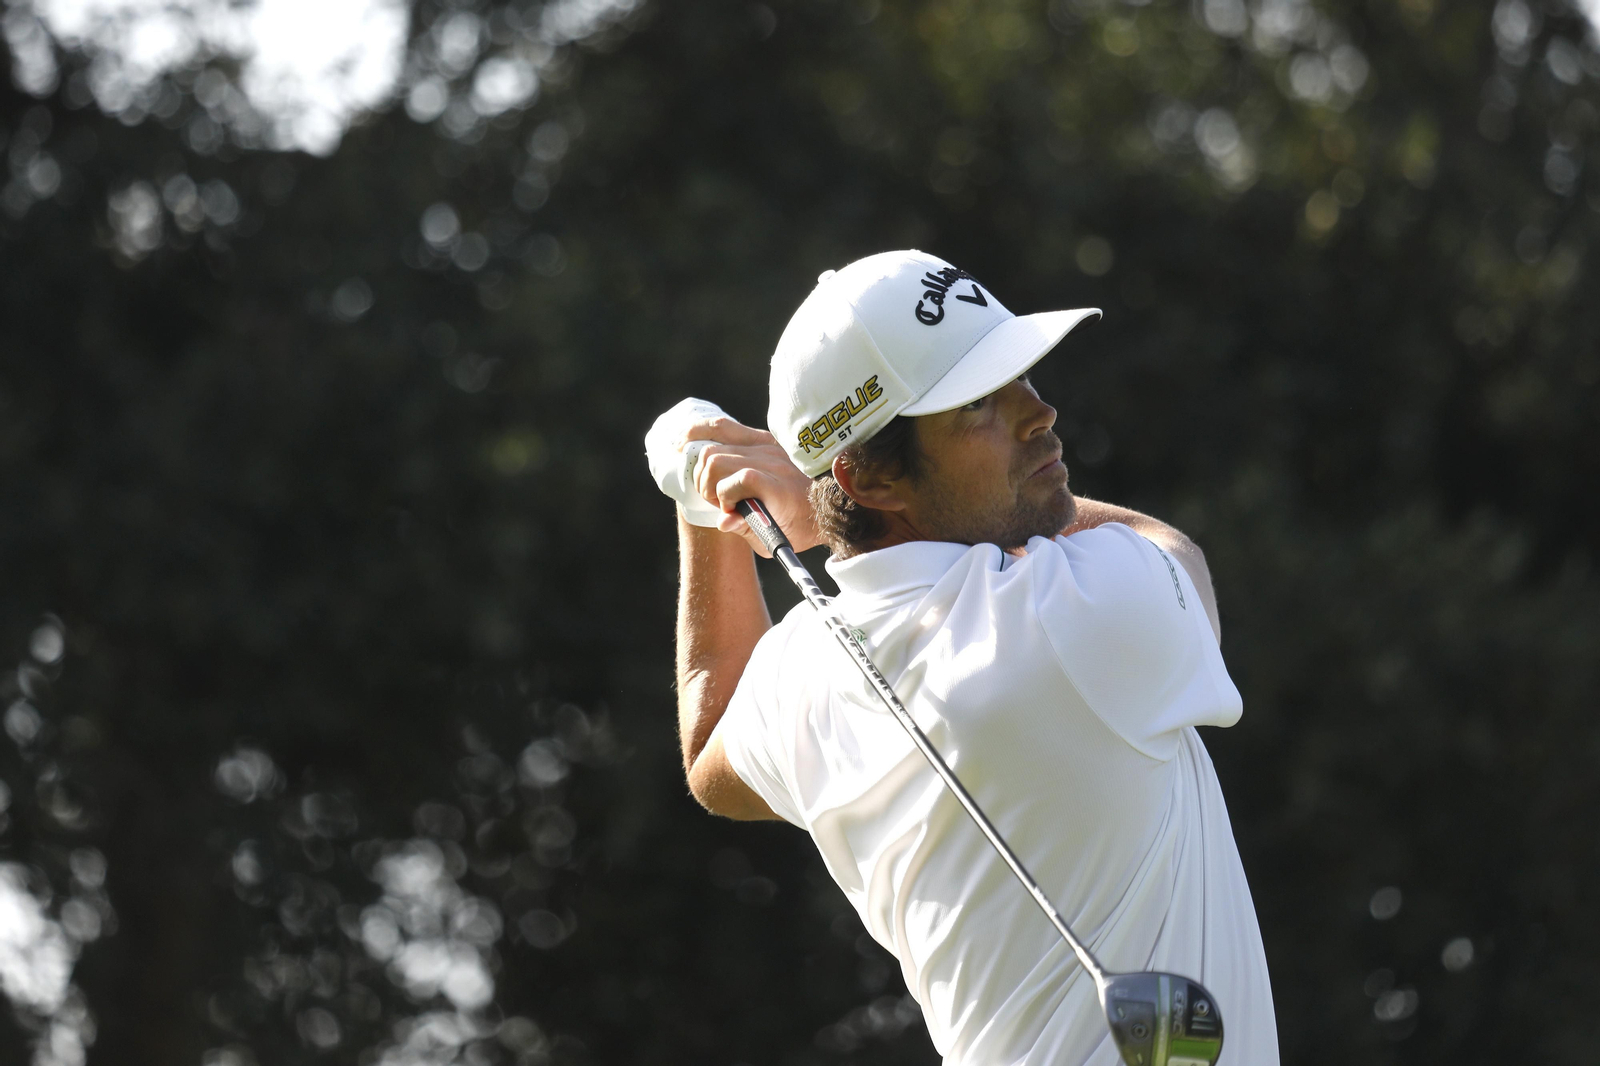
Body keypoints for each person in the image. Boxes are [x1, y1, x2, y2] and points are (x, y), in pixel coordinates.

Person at [646, 251, 1278, 1065]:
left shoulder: (803, 671)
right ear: (872, 481)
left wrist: (703, 511)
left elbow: (710, 749)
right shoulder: (1083, 608)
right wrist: (811, 515)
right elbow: (1169, 547)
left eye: (1018, 376)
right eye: (978, 403)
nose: (1039, 412)